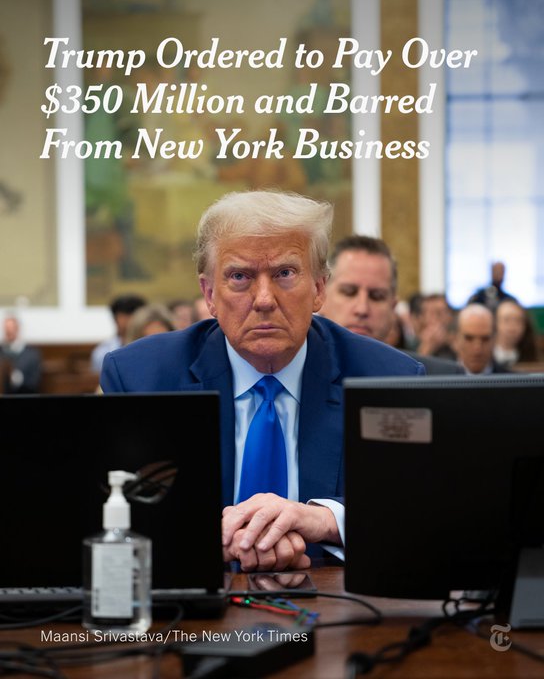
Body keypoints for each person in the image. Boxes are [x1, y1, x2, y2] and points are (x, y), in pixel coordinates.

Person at [100, 190, 425, 572]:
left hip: (334, 607)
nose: (265, 299)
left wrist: (326, 521)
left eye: (285, 274)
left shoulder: (386, 379)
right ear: (209, 294)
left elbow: (415, 511)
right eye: (240, 277)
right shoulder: (142, 378)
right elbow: (119, 518)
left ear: (319, 288)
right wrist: (202, 537)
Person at [318, 235, 464, 375]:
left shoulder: (436, 377)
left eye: (377, 296)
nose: (362, 309)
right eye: (349, 292)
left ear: (393, 307)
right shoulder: (298, 373)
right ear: (321, 296)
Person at [90, 294, 147, 374]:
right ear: (115, 319)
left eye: (132, 316)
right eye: (124, 316)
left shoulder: (149, 347)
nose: (129, 322)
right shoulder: (103, 352)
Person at [453, 303, 510, 374]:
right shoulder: (440, 380)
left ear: (494, 339)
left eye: (485, 339)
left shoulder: (514, 383)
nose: (477, 348)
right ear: (455, 340)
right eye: (469, 339)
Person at [0, 314, 42, 394]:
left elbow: (34, 383)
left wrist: (15, 377)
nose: (9, 332)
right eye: (6, 329)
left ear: (17, 329)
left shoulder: (31, 355)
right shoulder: (1, 353)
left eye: (11, 329)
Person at [493, 299, 540, 369]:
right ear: (495, 323)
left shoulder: (532, 357)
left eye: (518, 321)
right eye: (506, 320)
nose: (512, 327)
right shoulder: (484, 356)